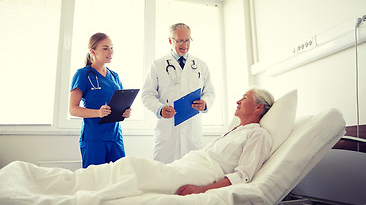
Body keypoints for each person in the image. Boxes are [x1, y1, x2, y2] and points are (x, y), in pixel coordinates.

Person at [0, 87, 274, 203]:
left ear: (259, 106)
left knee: (132, 167)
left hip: (203, 173)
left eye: (245, 98)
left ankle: (58, 191)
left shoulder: (257, 135)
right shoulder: (235, 129)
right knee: (126, 167)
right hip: (189, 162)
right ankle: (46, 182)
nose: (238, 101)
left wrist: (203, 190)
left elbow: (243, 176)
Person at [142, 23, 215, 163]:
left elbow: (210, 92)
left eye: (188, 40)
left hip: (192, 132)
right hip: (167, 132)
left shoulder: (200, 65)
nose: (185, 45)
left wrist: (205, 103)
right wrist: (160, 108)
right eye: (180, 40)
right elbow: (147, 95)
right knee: (164, 176)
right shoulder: (157, 65)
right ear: (170, 40)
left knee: (191, 173)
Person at [69, 32, 131, 169]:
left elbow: (120, 104)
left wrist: (126, 112)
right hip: (94, 138)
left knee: (121, 176)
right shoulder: (83, 74)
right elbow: (73, 109)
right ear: (93, 51)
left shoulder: (115, 76)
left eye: (112, 48)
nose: (110, 52)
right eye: (105, 48)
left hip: (115, 137)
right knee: (94, 181)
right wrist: (98, 113)